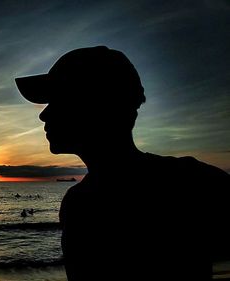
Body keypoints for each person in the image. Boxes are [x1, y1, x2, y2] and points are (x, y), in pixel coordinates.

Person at [15, 46, 230, 280]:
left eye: (58, 100)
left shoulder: (191, 183)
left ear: (94, 104)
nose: (43, 115)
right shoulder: (190, 179)